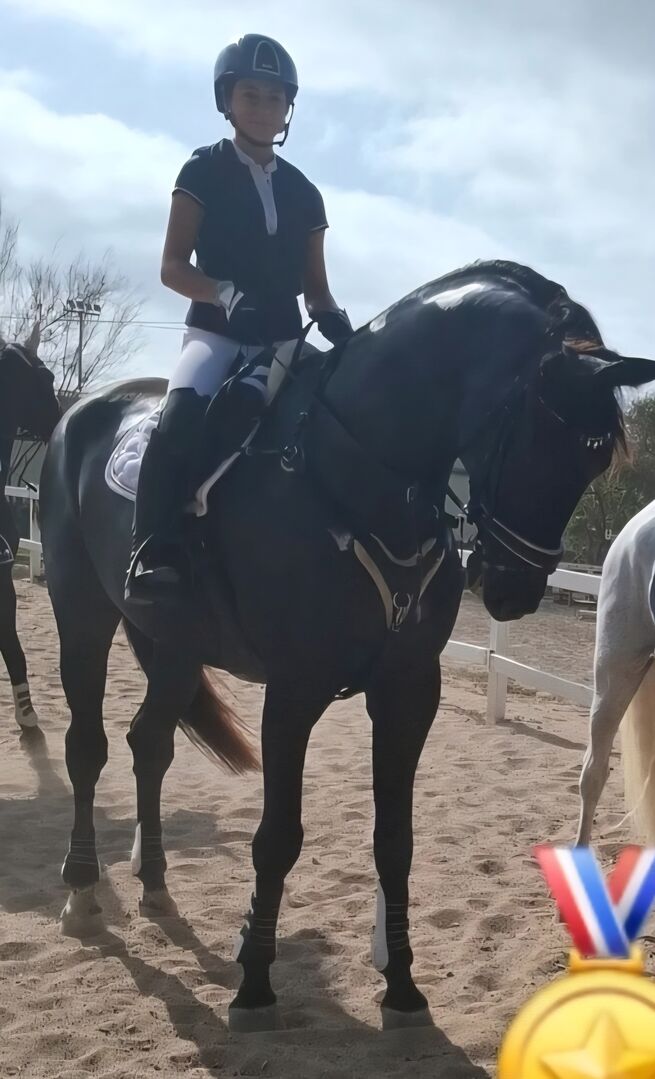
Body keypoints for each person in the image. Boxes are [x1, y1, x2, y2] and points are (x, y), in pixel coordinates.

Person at [126, 33, 352, 602]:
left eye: (275, 98)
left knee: (339, 420)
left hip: (283, 343)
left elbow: (316, 290)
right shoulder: (202, 170)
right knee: (181, 418)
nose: (263, 108)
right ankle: (153, 548)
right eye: (250, 94)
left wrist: (334, 320)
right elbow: (172, 267)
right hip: (217, 333)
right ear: (227, 99)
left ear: (288, 109)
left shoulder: (305, 193)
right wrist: (224, 295)